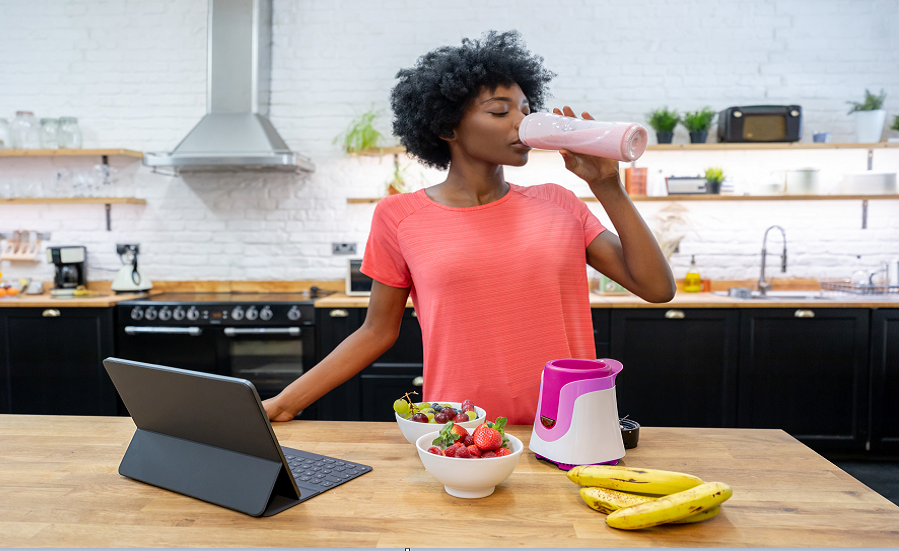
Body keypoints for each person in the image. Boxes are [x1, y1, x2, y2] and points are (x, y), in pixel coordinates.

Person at [263, 30, 675, 425]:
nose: (521, 123)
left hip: (569, 427)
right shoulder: (399, 216)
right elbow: (375, 331)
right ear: (447, 127)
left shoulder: (559, 203)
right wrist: (284, 403)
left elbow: (657, 288)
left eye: (526, 111)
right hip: (459, 434)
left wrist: (607, 184)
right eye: (499, 111)